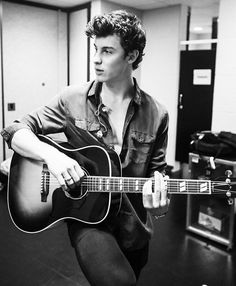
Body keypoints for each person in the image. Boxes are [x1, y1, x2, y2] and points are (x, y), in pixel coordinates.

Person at [1, 10, 169, 286]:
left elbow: (157, 176)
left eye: (107, 50)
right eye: (95, 49)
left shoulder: (158, 113)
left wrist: (160, 206)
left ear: (132, 56)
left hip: (133, 228)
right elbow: (15, 130)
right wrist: (53, 156)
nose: (96, 59)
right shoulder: (72, 99)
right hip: (87, 218)